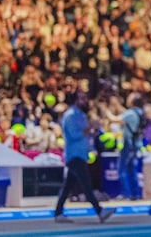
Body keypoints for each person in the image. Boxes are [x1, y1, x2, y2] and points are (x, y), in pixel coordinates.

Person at [54, 91, 115, 223]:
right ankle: (99, 211)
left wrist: (93, 132)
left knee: (68, 186)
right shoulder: (70, 116)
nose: (85, 101)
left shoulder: (81, 115)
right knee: (86, 184)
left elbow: (84, 136)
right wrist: (88, 129)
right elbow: (73, 135)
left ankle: (58, 212)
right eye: (82, 98)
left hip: (81, 154)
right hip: (74, 155)